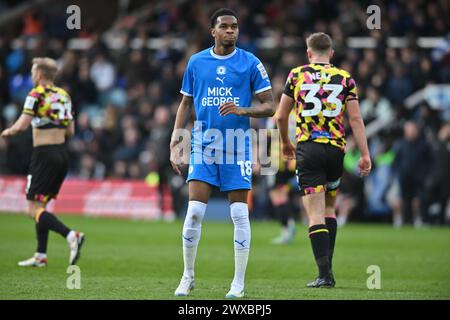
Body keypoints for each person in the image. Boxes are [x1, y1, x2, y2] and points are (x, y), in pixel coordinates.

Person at [170, 8, 275, 298]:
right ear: (213, 31)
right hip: (203, 143)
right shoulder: (196, 62)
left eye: (235, 27)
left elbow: (271, 105)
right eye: (225, 27)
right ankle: (187, 276)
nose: (231, 31)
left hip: (236, 144)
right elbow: (185, 104)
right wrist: (176, 141)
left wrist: (243, 109)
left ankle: (238, 283)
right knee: (193, 214)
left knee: (240, 214)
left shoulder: (251, 63)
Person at [276, 33, 371, 288]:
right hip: (335, 151)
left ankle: (324, 275)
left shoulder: (296, 75)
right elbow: (355, 120)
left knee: (314, 213)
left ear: (308, 53)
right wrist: (364, 153)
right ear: (331, 53)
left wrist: (286, 143)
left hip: (309, 149)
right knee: (330, 209)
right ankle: (328, 270)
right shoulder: (345, 77)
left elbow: (280, 116)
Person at [1, 57, 85, 267]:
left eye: (32, 71)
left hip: (44, 155)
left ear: (38, 74)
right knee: (42, 205)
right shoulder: (64, 95)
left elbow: (22, 125)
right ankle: (41, 255)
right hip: (62, 154)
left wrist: (7, 131)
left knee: (31, 208)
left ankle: (71, 235)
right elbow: (70, 131)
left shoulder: (36, 94)